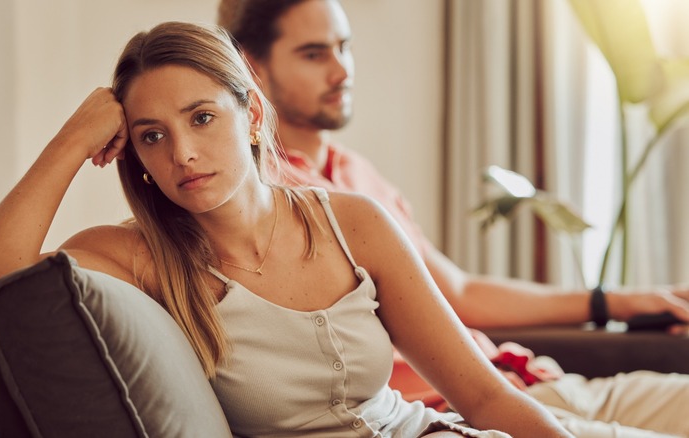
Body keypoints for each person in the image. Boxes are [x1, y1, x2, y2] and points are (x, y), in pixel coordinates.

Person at [0, 21, 573, 438]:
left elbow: (484, 398)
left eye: (201, 118)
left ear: (250, 115)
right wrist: (70, 140)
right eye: (152, 136)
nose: (183, 154)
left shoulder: (352, 222)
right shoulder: (135, 256)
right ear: (131, 152)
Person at [217, 0, 689, 437]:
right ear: (250, 67)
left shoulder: (356, 173)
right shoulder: (266, 204)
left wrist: (613, 302)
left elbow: (457, 291)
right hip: (458, 410)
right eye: (314, 54)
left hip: (530, 382)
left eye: (344, 47)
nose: (342, 70)